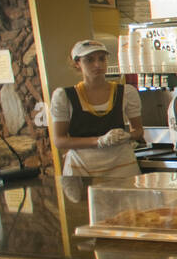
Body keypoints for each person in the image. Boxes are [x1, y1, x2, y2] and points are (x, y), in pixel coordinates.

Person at [50, 39, 143, 177]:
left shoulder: (125, 92)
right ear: (77, 64)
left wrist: (127, 136)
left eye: (102, 59)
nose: (97, 65)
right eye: (89, 60)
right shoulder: (65, 96)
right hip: (82, 168)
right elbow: (59, 140)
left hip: (122, 166)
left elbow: (139, 131)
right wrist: (98, 141)